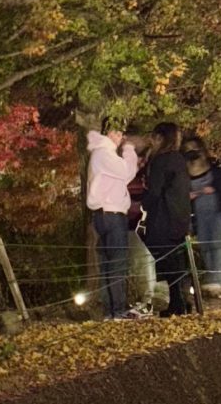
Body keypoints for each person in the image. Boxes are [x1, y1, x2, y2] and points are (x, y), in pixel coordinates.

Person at [84, 121, 139, 319]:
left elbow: (122, 176)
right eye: (117, 133)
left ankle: (113, 310)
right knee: (117, 263)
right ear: (108, 133)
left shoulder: (101, 154)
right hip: (111, 214)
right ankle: (118, 310)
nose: (120, 137)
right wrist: (130, 150)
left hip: (103, 213)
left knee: (108, 264)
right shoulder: (104, 153)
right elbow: (127, 172)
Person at [140, 122, 194, 315]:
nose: (151, 141)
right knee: (176, 260)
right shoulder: (178, 159)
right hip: (180, 215)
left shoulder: (161, 161)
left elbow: (154, 191)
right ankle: (181, 299)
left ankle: (177, 302)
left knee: (166, 258)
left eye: (154, 137)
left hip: (163, 216)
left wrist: (142, 203)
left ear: (161, 138)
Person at [184, 135, 221, 296]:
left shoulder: (214, 165)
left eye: (194, 148)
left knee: (219, 243)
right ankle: (213, 278)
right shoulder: (185, 169)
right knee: (206, 244)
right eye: (188, 149)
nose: (192, 152)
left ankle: (220, 280)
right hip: (199, 210)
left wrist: (214, 188)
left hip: (218, 208)